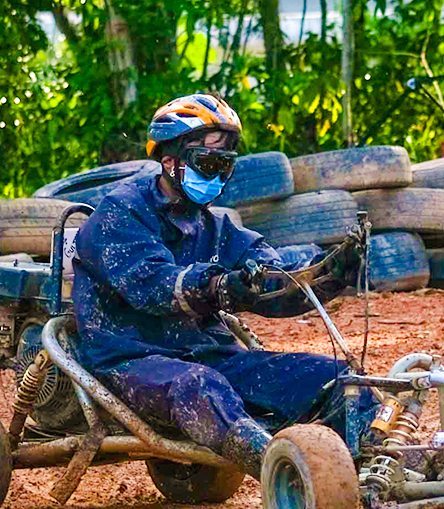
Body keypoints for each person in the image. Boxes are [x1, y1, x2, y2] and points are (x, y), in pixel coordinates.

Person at [71, 93, 375, 478]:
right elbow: (155, 285)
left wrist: (329, 271)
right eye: (208, 163)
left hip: (208, 356)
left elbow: (273, 276)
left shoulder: (216, 227)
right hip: (130, 360)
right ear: (170, 161)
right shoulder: (121, 213)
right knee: (202, 387)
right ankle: (290, 475)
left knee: (339, 381)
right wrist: (219, 286)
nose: (216, 175)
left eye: (225, 165)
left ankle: (379, 463)